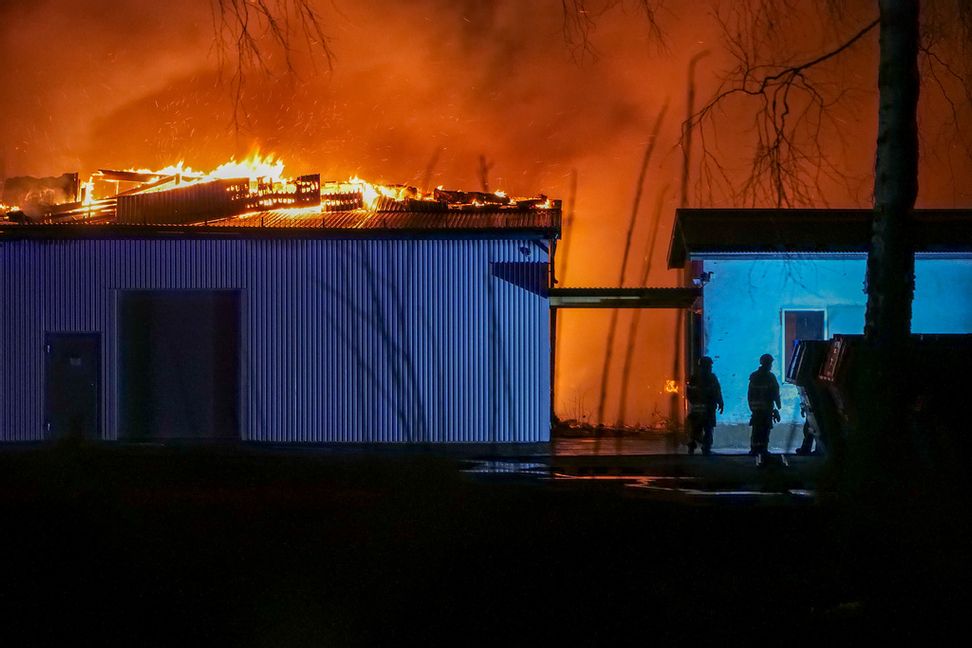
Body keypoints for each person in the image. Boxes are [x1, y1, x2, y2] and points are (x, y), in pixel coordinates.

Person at [686, 356, 724, 456]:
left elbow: (689, 393)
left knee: (697, 428)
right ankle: (705, 448)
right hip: (708, 408)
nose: (710, 368)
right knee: (707, 428)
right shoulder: (711, 378)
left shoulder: (694, 378)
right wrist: (720, 402)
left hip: (700, 408)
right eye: (709, 366)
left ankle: (693, 446)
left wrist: (694, 403)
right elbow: (717, 391)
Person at [748, 353, 781, 462]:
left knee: (756, 429)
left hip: (756, 409)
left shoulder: (754, 376)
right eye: (770, 363)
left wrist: (751, 406)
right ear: (768, 364)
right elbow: (775, 392)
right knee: (765, 429)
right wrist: (778, 405)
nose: (771, 365)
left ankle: (754, 449)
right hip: (766, 408)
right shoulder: (770, 377)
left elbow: (750, 394)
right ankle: (763, 449)